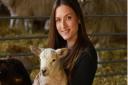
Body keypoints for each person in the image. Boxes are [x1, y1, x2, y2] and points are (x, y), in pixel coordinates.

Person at [47, 0, 97, 85]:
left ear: (78, 19)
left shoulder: (86, 55)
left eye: (68, 18)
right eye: (58, 20)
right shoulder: (59, 46)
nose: (63, 25)